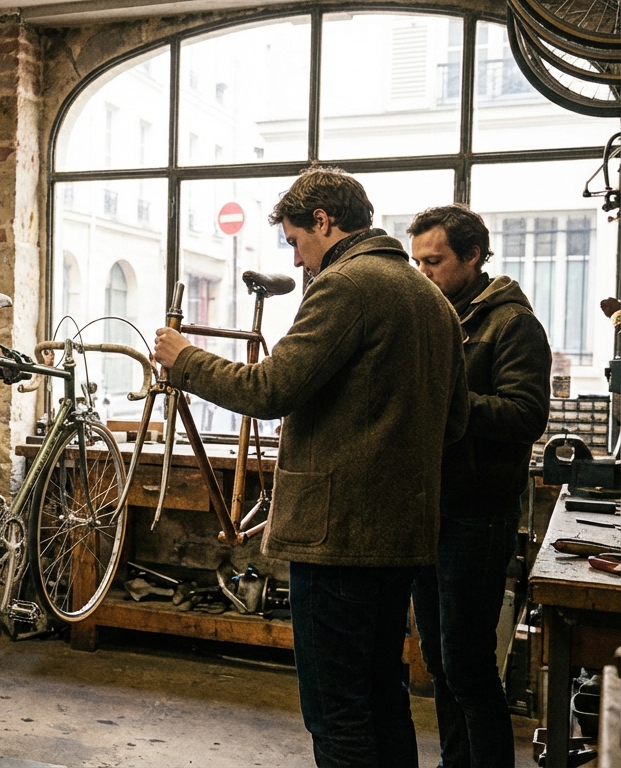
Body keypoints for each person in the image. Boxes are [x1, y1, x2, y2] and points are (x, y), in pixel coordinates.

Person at [153, 166, 468, 767]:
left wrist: (185, 359)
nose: (297, 261)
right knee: (383, 696)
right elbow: (452, 425)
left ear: (325, 221)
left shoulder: (348, 284)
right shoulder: (432, 300)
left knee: (337, 711)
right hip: (401, 537)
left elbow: (269, 389)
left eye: (296, 241)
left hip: (338, 539)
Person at [407, 205, 549, 767]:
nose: (424, 274)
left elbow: (525, 415)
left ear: (473, 256)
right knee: (440, 661)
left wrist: (445, 405)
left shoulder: (512, 324)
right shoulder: (440, 318)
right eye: (417, 261)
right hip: (429, 510)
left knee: (467, 662)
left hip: (477, 517)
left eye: (434, 261)